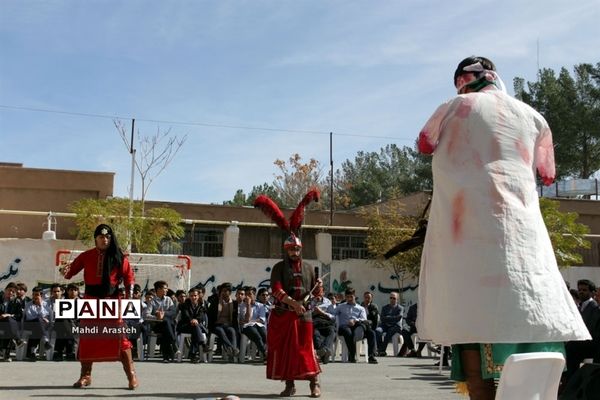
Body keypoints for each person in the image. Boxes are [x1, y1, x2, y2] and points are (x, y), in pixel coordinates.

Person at [416, 56, 590, 399]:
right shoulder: (534, 117)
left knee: (479, 370)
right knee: (536, 372)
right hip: (527, 257)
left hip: (470, 249)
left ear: (463, 80)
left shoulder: (454, 107)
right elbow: (549, 174)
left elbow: (424, 143)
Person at [254, 189, 322, 398]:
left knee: (305, 350)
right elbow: (276, 290)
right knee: (286, 352)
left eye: (297, 249)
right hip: (284, 315)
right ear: (286, 250)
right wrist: (293, 303)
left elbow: (319, 294)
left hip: (305, 316)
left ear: (301, 249)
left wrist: (318, 288)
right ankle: (290, 385)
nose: (294, 252)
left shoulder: (310, 268)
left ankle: (314, 383)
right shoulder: (278, 267)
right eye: (291, 249)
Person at [61, 223, 138, 390]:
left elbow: (129, 278)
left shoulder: (120, 257)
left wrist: (129, 299)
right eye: (101, 237)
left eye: (107, 237)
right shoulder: (86, 256)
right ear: (95, 239)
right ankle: (86, 375)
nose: (105, 240)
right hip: (90, 300)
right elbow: (68, 274)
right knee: (88, 337)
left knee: (120, 338)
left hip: (112, 301)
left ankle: (131, 376)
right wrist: (64, 269)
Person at [333, 288, 378, 365]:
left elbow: (364, 319)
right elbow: (333, 315)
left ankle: (371, 356)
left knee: (371, 333)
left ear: (354, 296)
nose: (349, 299)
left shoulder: (361, 308)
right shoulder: (340, 306)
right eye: (347, 297)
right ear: (345, 297)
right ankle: (352, 354)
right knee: (348, 332)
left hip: (357, 325)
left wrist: (355, 320)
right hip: (344, 326)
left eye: (351, 297)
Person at [143, 280, 178, 363]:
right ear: (158, 289)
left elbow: (173, 312)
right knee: (165, 324)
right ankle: (173, 344)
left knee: (166, 325)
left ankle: (166, 357)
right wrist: (157, 317)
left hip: (168, 325)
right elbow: (146, 315)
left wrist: (163, 314)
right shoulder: (152, 301)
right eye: (165, 288)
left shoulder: (168, 299)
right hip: (157, 326)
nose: (167, 290)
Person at [207, 282, 240, 361]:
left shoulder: (234, 303)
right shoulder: (215, 302)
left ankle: (231, 353)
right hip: (216, 325)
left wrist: (236, 328)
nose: (224, 293)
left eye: (226, 291)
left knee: (232, 331)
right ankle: (233, 349)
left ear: (230, 292)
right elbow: (210, 316)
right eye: (222, 291)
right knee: (220, 330)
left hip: (228, 325)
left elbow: (235, 318)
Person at [177, 287, 209, 363]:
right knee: (196, 327)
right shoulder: (185, 305)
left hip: (195, 326)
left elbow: (200, 316)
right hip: (185, 326)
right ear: (189, 296)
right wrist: (192, 320)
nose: (193, 297)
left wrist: (196, 320)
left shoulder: (201, 305)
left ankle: (193, 355)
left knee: (195, 330)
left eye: (195, 295)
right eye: (191, 296)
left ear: (198, 296)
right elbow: (186, 316)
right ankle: (203, 344)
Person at [238, 286, 267, 360]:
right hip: (247, 327)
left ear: (254, 295)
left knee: (265, 336)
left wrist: (253, 321)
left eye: (250, 294)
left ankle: (270, 353)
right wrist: (248, 305)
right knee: (257, 336)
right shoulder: (242, 305)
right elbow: (247, 320)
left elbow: (261, 319)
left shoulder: (260, 306)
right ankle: (265, 354)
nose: (247, 296)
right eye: (246, 294)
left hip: (259, 325)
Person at [310, 285, 336, 364]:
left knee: (331, 331)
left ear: (323, 293)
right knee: (315, 334)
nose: (317, 294)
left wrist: (322, 312)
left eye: (319, 292)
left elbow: (333, 316)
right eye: (316, 292)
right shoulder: (309, 302)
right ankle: (325, 353)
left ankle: (324, 351)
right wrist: (313, 312)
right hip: (315, 322)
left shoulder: (328, 302)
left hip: (326, 321)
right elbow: (305, 313)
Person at [375, 292, 403, 356]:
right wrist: (391, 318)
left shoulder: (400, 308)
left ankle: (382, 350)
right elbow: (382, 318)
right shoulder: (385, 307)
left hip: (395, 326)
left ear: (397, 299)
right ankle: (380, 349)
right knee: (378, 331)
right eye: (391, 298)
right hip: (385, 325)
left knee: (390, 331)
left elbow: (398, 318)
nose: (392, 299)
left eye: (394, 298)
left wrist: (388, 317)